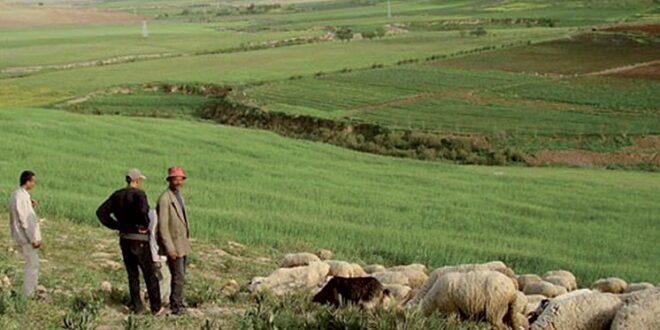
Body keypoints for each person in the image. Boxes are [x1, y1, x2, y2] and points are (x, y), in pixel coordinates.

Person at [96, 169, 164, 315]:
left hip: (124, 238)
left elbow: (101, 213)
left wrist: (116, 225)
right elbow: (143, 211)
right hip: (139, 238)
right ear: (137, 180)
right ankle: (156, 308)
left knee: (132, 274)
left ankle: (137, 306)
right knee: (149, 274)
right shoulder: (139, 195)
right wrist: (144, 225)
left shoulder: (117, 195)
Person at [157, 166, 191, 315]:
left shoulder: (179, 196)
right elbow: (163, 227)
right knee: (178, 276)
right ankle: (176, 306)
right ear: (170, 180)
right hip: (174, 245)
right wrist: (169, 248)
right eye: (175, 179)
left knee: (181, 275)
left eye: (180, 179)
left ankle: (178, 301)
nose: (178, 181)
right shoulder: (165, 198)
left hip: (181, 243)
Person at [8, 170, 41, 297]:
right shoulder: (21, 197)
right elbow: (23, 220)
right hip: (25, 237)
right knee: (32, 264)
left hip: (22, 235)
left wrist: (30, 206)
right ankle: (29, 293)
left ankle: (31, 290)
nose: (34, 184)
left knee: (32, 262)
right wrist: (33, 238)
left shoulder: (17, 195)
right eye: (33, 181)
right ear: (28, 181)